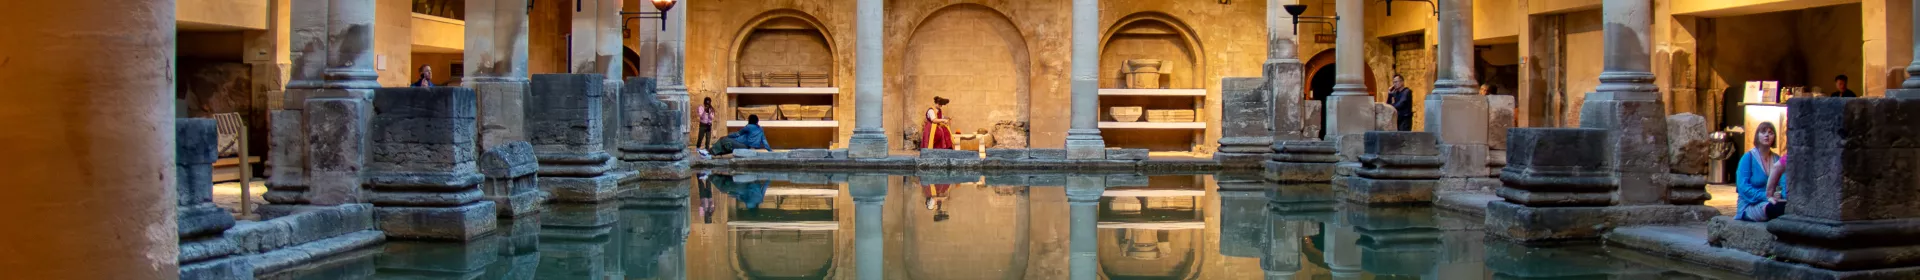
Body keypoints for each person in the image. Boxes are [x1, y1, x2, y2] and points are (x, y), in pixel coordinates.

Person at [1736, 122, 1787, 222]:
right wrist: (1767, 196)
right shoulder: (1748, 158)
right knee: (1775, 209)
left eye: (1770, 133)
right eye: (1763, 132)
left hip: (1773, 201)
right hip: (1750, 204)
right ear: (1757, 135)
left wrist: (1779, 194)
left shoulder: (1777, 159)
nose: (1767, 135)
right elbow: (1743, 187)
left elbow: (1782, 184)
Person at [708, 114, 774, 156]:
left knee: (723, 139)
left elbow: (737, 134)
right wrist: (770, 151)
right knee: (729, 146)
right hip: (746, 146)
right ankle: (712, 153)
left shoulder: (749, 126)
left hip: (743, 145)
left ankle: (709, 153)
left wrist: (729, 135)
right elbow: (765, 141)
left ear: (750, 120)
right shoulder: (760, 129)